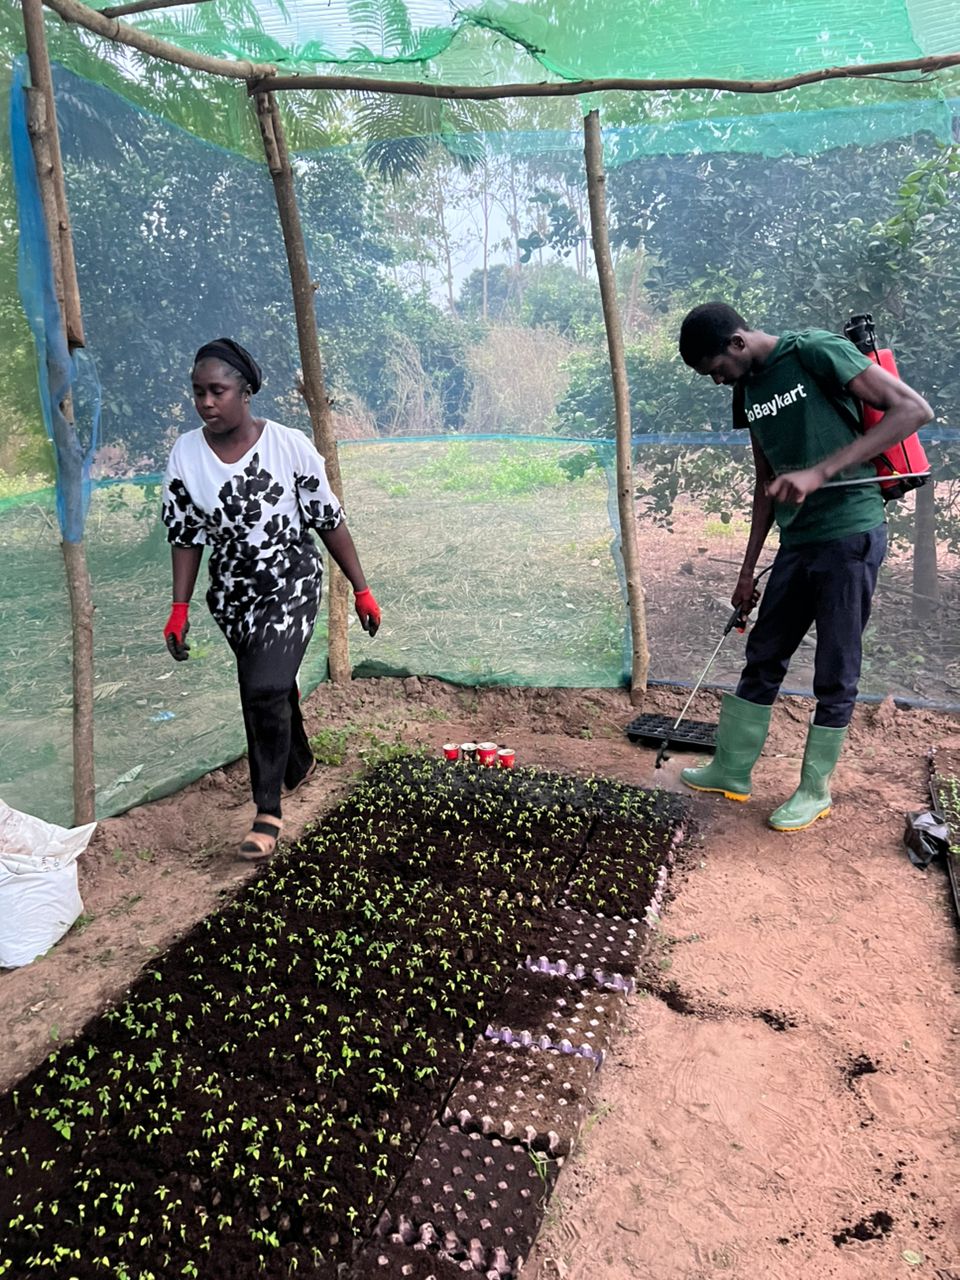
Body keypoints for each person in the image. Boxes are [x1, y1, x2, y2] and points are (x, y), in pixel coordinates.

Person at [676, 302, 932, 831]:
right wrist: (747, 570)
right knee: (763, 653)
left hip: (849, 536)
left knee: (835, 670)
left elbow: (913, 410)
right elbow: (763, 484)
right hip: (797, 542)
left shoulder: (814, 352)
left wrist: (821, 471)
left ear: (738, 343)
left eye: (717, 370)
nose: (719, 382)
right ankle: (732, 769)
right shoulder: (748, 391)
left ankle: (814, 790)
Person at [160, 338, 381, 860]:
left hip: (291, 581)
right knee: (269, 688)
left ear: (246, 391)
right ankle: (298, 763)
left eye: (218, 390)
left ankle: (267, 810)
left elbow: (328, 520)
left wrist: (362, 589)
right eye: (198, 393)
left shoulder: (289, 446)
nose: (207, 402)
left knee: (263, 686)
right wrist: (179, 607)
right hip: (233, 594)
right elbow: (186, 534)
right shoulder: (186, 455)